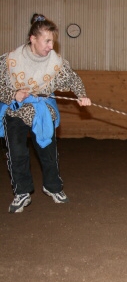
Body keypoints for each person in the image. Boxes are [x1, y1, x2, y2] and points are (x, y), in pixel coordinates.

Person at [0, 13, 91, 213]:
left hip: (42, 110)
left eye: (52, 41)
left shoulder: (56, 63)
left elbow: (73, 80)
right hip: (16, 110)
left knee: (48, 153)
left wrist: (81, 95)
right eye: (47, 41)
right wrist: (13, 93)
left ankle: (53, 187)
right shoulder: (10, 60)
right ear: (33, 39)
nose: (51, 46)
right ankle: (21, 192)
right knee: (17, 153)